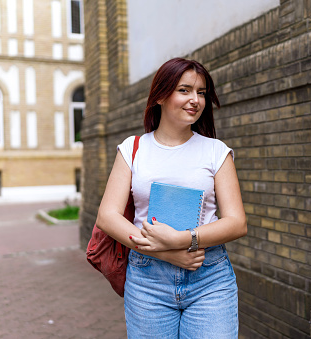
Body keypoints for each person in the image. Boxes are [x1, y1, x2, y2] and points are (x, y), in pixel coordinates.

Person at [95, 57, 247, 338]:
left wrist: (181, 240)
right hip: (147, 280)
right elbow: (108, 216)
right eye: (185, 90)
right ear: (161, 96)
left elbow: (237, 223)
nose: (195, 100)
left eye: (201, 93)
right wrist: (164, 252)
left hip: (209, 278)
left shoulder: (216, 151)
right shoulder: (133, 148)